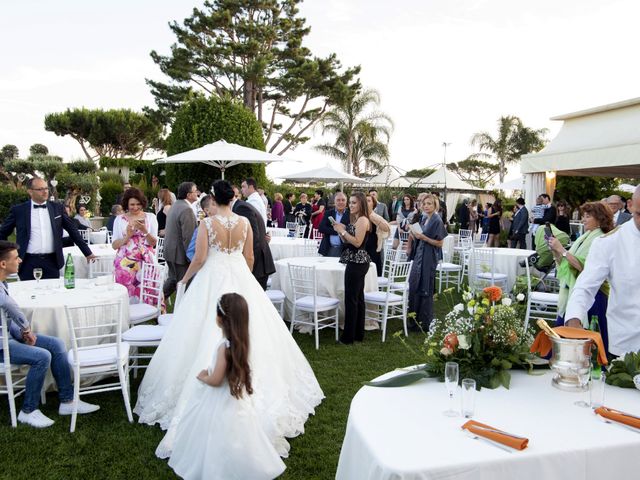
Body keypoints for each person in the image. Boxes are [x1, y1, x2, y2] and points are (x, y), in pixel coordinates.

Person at [134, 180, 323, 459]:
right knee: (250, 330)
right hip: (239, 277)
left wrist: (184, 279)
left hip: (212, 278)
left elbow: (198, 259)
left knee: (201, 330)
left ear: (213, 199)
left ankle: (211, 379)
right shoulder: (244, 223)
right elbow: (248, 258)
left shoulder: (207, 225)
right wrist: (240, 276)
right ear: (232, 198)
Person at [167, 293, 286, 480]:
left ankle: (216, 467)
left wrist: (204, 376)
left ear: (220, 319)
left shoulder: (224, 347)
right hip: (233, 400)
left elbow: (216, 380)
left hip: (217, 400)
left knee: (215, 432)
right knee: (236, 432)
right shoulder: (241, 343)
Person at [0, 241, 99, 427]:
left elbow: (5, 320)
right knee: (42, 356)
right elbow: (9, 306)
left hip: (8, 337)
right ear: (3, 264)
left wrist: (21, 333)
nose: (20, 260)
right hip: (1, 346)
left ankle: (67, 401)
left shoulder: (3, 282)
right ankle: (28, 410)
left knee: (56, 344)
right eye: (16, 258)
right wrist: (26, 328)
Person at [564, 187, 640, 357]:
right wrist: (574, 320)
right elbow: (585, 286)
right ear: (630, 205)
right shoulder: (609, 242)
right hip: (626, 346)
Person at [0, 177, 94, 280]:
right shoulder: (19, 210)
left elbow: (73, 231)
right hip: (28, 261)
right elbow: (3, 233)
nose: (45, 192)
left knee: (52, 293)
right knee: (29, 293)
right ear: (30, 191)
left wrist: (88, 253)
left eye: (46, 188)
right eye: (40, 189)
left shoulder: (57, 208)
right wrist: (6, 254)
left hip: (52, 261)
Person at [550, 202, 613, 351]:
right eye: (583, 216)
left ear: (600, 218)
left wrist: (562, 250)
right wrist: (556, 251)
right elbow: (565, 264)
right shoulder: (586, 236)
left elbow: (585, 268)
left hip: (593, 294)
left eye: (588, 216)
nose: (583, 220)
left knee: (589, 338)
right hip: (575, 290)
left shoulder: (601, 239)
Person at [332, 192, 371, 344]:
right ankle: (357, 334)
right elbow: (348, 240)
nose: (351, 205)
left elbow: (356, 242)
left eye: (354, 203)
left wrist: (342, 231)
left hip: (358, 262)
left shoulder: (362, 220)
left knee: (351, 299)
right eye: (351, 203)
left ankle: (348, 337)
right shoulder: (357, 219)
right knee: (358, 299)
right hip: (356, 261)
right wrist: (341, 231)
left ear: (361, 204)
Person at [407, 194, 447, 331]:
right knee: (414, 285)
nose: (426, 206)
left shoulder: (437, 220)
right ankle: (413, 319)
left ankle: (424, 322)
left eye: (429, 203)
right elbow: (420, 236)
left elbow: (440, 243)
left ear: (435, 205)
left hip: (429, 257)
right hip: (419, 255)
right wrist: (414, 233)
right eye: (424, 204)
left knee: (425, 287)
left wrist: (423, 237)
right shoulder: (424, 218)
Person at [112, 187, 159, 301]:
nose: (135, 207)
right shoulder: (119, 219)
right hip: (125, 263)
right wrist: (128, 236)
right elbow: (114, 245)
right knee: (126, 290)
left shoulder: (150, 217)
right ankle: (126, 314)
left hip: (146, 261)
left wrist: (144, 230)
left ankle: (149, 311)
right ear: (126, 204)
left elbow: (153, 243)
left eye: (138, 204)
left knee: (146, 289)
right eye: (132, 204)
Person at [232, 192, 276, 290]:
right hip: (258, 262)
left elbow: (253, 238)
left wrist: (248, 267)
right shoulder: (241, 205)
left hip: (257, 264)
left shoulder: (241, 208)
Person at [161, 182, 197, 298]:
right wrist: (192, 258)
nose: (197, 193)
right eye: (195, 191)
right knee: (185, 285)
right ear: (188, 195)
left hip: (170, 251)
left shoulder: (175, 205)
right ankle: (182, 310)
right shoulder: (187, 210)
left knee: (173, 280)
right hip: (179, 255)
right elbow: (189, 237)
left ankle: (156, 301)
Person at [365, 193, 391, 276]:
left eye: (368, 201)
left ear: (373, 203)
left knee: (373, 274)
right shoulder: (357, 216)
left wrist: (373, 218)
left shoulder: (376, 217)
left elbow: (387, 228)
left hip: (373, 248)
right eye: (364, 201)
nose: (366, 203)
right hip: (361, 248)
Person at [186, 195, 217, 262]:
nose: (218, 206)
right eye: (214, 204)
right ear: (207, 210)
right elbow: (190, 252)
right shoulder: (201, 229)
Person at [318, 192, 349, 257]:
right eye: (338, 200)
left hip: (345, 249)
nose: (341, 202)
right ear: (334, 202)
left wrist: (342, 229)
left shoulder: (351, 214)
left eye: (343, 200)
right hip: (328, 248)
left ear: (346, 201)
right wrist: (337, 231)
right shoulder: (328, 213)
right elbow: (321, 227)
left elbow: (352, 230)